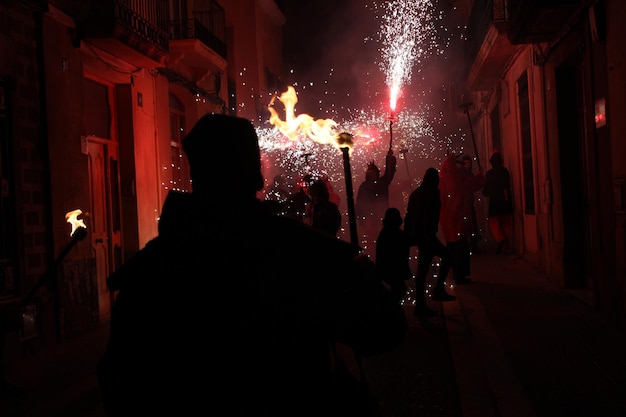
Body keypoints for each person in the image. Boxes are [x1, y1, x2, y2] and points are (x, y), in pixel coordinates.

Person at [96, 113, 407, 416]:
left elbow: (119, 386)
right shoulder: (298, 252)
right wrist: (352, 270)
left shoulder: (156, 267)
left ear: (196, 176)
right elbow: (385, 326)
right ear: (256, 175)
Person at [404, 167, 456, 317]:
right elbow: (427, 215)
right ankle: (437, 291)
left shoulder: (415, 194)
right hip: (427, 236)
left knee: (422, 272)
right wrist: (428, 234)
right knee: (446, 256)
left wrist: (410, 235)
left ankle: (421, 305)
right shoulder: (432, 193)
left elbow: (409, 216)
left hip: (420, 236)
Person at [439, 152, 485, 285]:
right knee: (461, 248)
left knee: (452, 248)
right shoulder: (458, 178)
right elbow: (475, 184)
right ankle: (461, 276)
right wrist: (481, 175)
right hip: (458, 219)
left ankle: (455, 275)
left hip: (447, 221)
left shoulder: (441, 180)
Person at [355, 149, 397, 259]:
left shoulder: (382, 183)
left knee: (382, 239)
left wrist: (389, 158)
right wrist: (361, 217)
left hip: (380, 216)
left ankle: (381, 258)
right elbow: (359, 202)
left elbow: (389, 172)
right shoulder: (364, 186)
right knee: (371, 240)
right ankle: (372, 258)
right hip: (369, 217)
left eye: (374, 173)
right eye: (370, 173)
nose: (372, 175)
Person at [375, 208, 412, 303]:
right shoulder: (395, 233)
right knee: (398, 291)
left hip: (387, 268)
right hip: (394, 268)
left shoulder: (385, 232)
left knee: (397, 291)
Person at [482, 150, 514, 254]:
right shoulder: (505, 172)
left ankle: (500, 239)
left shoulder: (489, 174)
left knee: (494, 224)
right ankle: (505, 247)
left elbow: (486, 192)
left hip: (494, 204)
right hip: (506, 203)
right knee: (506, 225)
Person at [459, 154, 482, 253]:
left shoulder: (470, 175)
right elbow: (470, 184)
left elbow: (475, 185)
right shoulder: (460, 175)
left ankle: (474, 246)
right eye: (465, 163)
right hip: (463, 206)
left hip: (470, 204)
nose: (467, 165)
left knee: (473, 226)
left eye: (469, 163)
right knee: (466, 227)